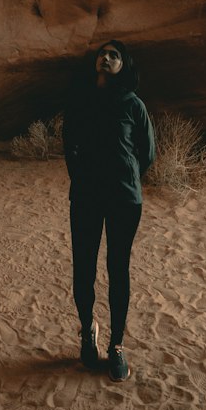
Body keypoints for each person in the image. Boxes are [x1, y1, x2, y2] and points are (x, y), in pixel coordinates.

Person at [62, 39, 156, 382]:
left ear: (124, 65)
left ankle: (116, 346)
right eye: (102, 53)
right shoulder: (80, 101)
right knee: (83, 267)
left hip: (124, 199)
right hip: (86, 195)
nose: (106, 57)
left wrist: (126, 177)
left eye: (114, 55)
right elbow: (68, 143)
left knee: (118, 270)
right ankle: (88, 330)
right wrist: (82, 176)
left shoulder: (134, 106)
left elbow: (147, 152)